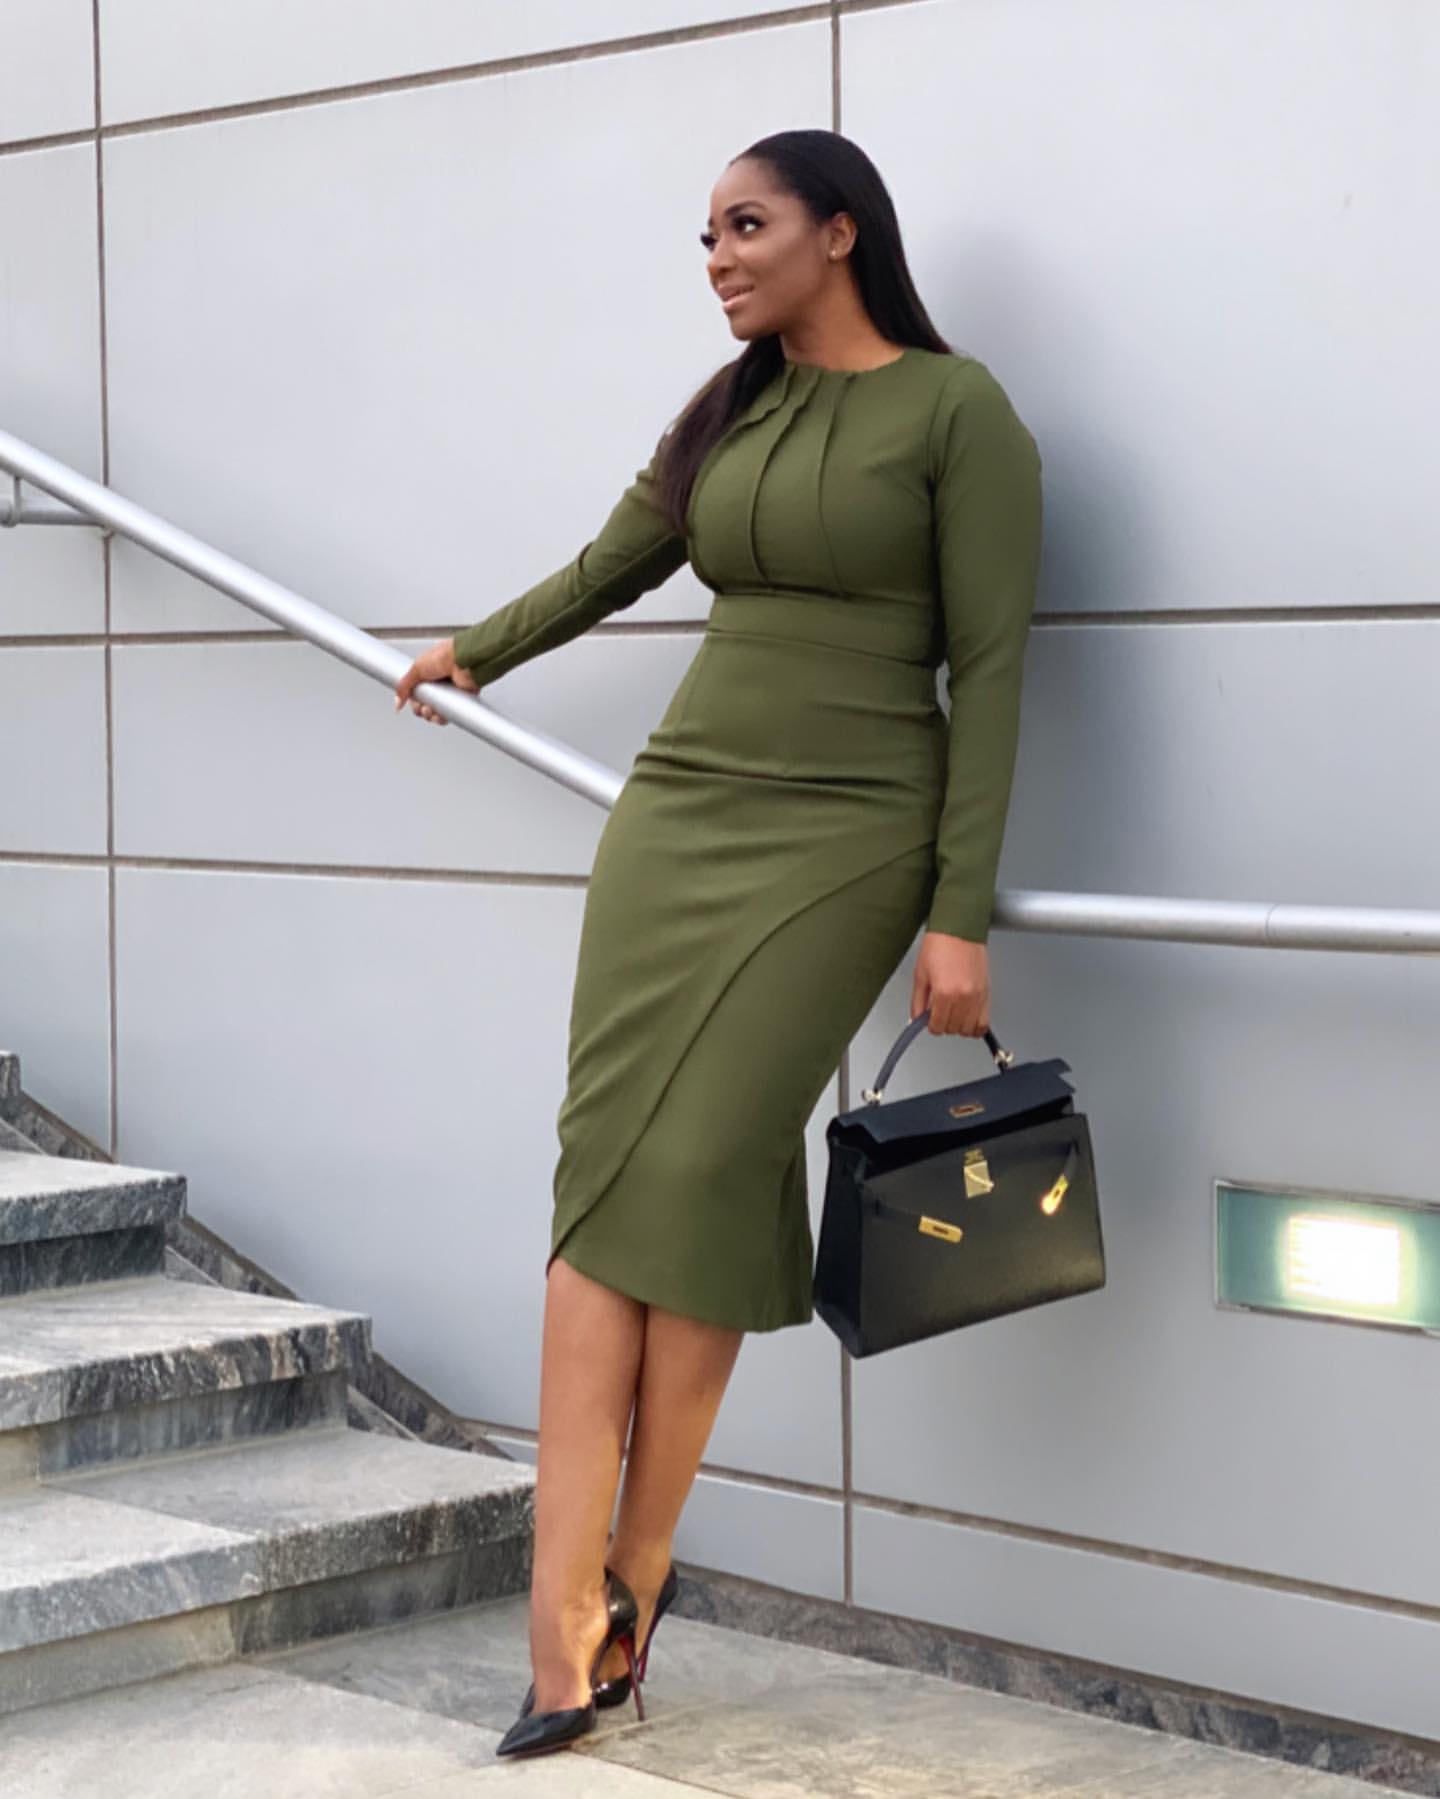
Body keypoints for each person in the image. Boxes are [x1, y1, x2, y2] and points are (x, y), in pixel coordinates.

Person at [393, 127, 1043, 1759]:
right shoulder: (728, 411)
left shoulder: (957, 414)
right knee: (608, 1176)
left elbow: (992, 672)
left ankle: (636, 1566)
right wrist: (480, 651)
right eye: (705, 238)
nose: (719, 260)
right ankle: (567, 1623)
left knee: (697, 1166)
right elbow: (614, 565)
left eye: (746, 227)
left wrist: (959, 911)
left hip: (851, 832)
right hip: (678, 813)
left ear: (841, 230)